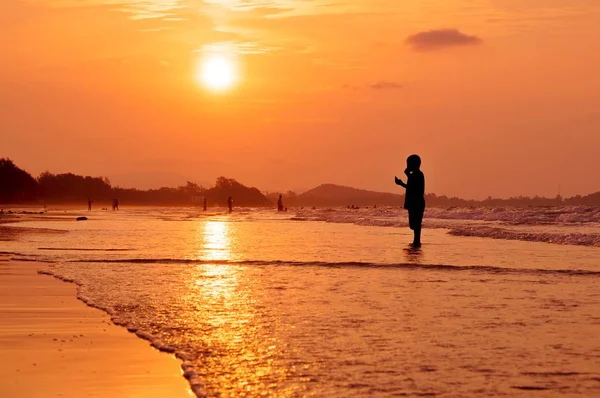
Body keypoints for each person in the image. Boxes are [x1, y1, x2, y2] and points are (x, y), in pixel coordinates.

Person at [395, 154, 425, 247]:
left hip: (417, 202)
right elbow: (410, 187)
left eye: (409, 164)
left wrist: (407, 176)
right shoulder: (413, 175)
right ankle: (416, 241)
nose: (407, 166)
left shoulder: (419, 175)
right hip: (412, 202)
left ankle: (417, 241)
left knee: (416, 224)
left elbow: (413, 188)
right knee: (412, 225)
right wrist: (402, 183)